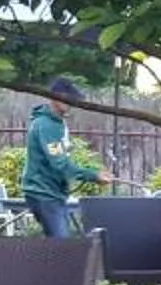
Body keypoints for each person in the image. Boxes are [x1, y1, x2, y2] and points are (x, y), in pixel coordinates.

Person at [21, 78, 102, 238]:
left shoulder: (57, 124)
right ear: (54, 97)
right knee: (62, 247)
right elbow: (59, 163)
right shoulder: (46, 125)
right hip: (43, 193)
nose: (70, 102)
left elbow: (62, 157)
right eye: (66, 97)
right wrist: (93, 175)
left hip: (53, 193)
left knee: (57, 246)